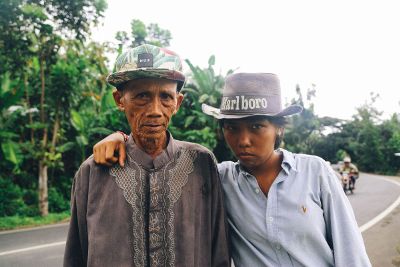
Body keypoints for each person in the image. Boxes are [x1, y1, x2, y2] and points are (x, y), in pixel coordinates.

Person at [94, 73, 371, 266]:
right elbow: (161, 151)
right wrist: (121, 137)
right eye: (232, 127)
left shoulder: (315, 173)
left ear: (279, 127)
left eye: (256, 127)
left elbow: (351, 254)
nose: (243, 140)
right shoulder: (218, 177)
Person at [64, 44, 230, 267]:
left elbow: (219, 252)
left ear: (177, 103)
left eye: (165, 97)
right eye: (142, 96)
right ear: (120, 100)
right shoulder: (92, 172)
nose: (155, 109)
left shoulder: (201, 163)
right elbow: (76, 256)